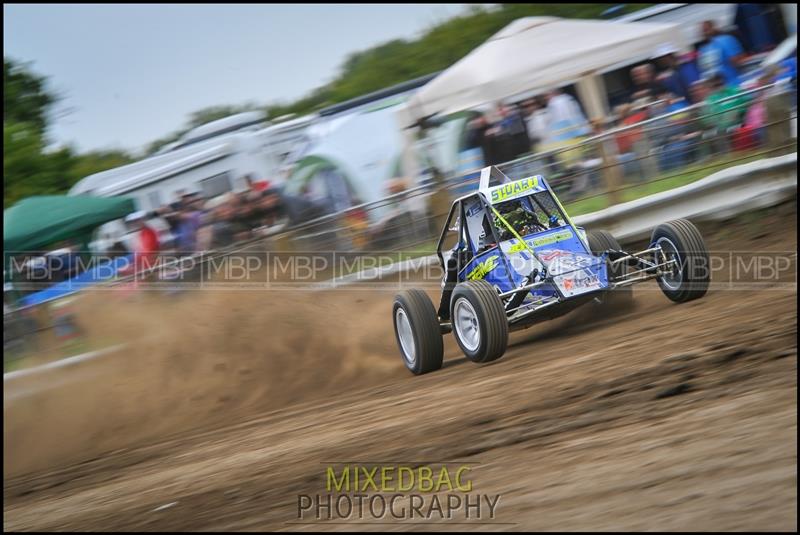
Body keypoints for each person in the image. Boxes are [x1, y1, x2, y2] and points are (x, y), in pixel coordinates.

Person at [697, 20, 747, 88]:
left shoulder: (725, 40)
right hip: (722, 88)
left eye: (706, 30)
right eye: (703, 31)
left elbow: (736, 61)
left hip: (731, 85)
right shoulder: (703, 49)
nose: (705, 33)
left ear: (714, 28)